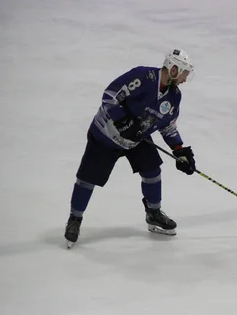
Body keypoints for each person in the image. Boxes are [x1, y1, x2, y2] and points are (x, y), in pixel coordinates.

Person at [65, 49, 197, 248]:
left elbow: (167, 125)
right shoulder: (143, 76)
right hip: (105, 136)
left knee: (152, 170)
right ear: (173, 68)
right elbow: (110, 96)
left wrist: (179, 150)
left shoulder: (174, 96)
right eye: (184, 73)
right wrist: (123, 121)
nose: (185, 79)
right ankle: (75, 219)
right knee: (87, 179)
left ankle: (153, 213)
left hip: (137, 138)